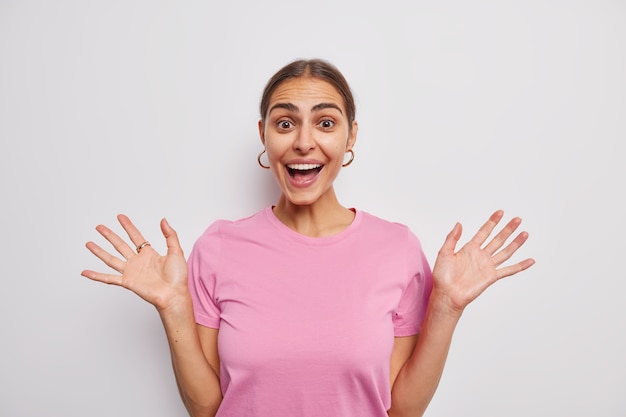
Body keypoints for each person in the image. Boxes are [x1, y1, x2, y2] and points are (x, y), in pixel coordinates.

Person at [81, 58, 535, 417]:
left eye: (325, 122)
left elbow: (402, 409)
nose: (303, 142)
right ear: (264, 136)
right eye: (284, 123)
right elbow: (206, 408)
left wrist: (446, 307)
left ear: (350, 136)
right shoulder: (218, 247)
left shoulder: (397, 250)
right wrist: (174, 306)